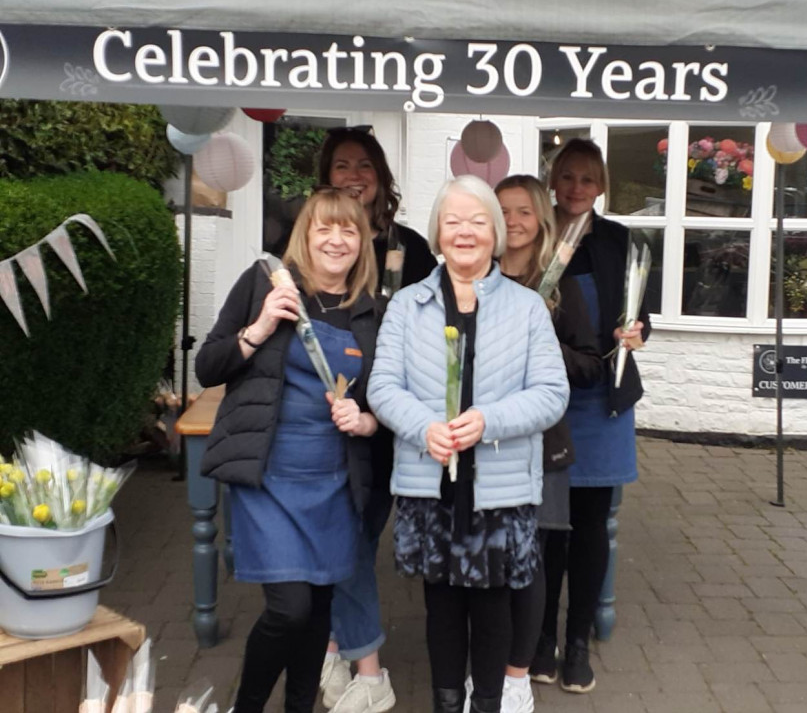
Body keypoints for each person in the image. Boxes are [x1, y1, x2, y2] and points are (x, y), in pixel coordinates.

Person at [366, 176, 570, 713]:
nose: (465, 232)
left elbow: (552, 393)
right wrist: (423, 427)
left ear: (495, 233)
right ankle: (446, 704)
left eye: (478, 221)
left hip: (499, 489)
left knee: (494, 608)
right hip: (430, 483)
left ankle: (488, 704)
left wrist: (489, 420)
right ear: (437, 231)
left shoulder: (527, 308)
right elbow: (383, 387)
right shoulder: (408, 305)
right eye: (453, 221)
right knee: (442, 607)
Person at [195, 189, 382, 713]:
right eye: (325, 228)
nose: (336, 240)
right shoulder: (265, 283)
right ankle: (248, 705)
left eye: (348, 230)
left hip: (334, 482)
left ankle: (299, 707)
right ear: (305, 234)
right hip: (269, 477)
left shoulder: (371, 312)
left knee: (320, 607)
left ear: (362, 242)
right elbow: (208, 366)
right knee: (289, 608)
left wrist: (365, 420)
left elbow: (386, 399)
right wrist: (257, 330)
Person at [316, 126, 437, 713]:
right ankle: (352, 655)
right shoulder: (314, 240)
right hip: (329, 419)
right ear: (326, 177)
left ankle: (345, 649)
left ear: (382, 177)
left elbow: (439, 330)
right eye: (342, 166)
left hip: (391, 420)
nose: (354, 175)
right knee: (344, 539)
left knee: (354, 538)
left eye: (365, 165)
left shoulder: (411, 248)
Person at [533, 139, 650, 694]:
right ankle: (540, 640)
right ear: (553, 181)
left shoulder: (618, 240)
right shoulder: (535, 234)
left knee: (590, 531)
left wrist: (638, 331)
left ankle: (577, 640)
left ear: (602, 186)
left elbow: (637, 312)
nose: (577, 188)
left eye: (587, 179)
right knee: (548, 531)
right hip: (545, 400)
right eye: (567, 177)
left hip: (601, 399)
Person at [494, 175, 603, 713]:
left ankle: (528, 655)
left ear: (541, 218)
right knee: (489, 555)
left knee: (533, 555)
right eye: (503, 211)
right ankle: (492, 659)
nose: (512, 221)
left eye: (523, 211)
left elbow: (589, 366)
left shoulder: (558, 285)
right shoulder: (476, 275)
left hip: (540, 445)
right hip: (484, 441)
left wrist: (540, 343)